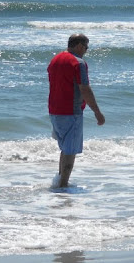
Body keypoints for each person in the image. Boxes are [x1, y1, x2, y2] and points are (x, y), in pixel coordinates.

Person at [48, 34, 105, 187]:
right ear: (79, 45)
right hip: (70, 112)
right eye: (86, 47)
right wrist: (97, 113)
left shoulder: (55, 60)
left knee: (65, 148)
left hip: (54, 110)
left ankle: (59, 183)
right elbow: (85, 89)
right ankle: (63, 188)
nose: (86, 51)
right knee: (70, 150)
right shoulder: (78, 63)